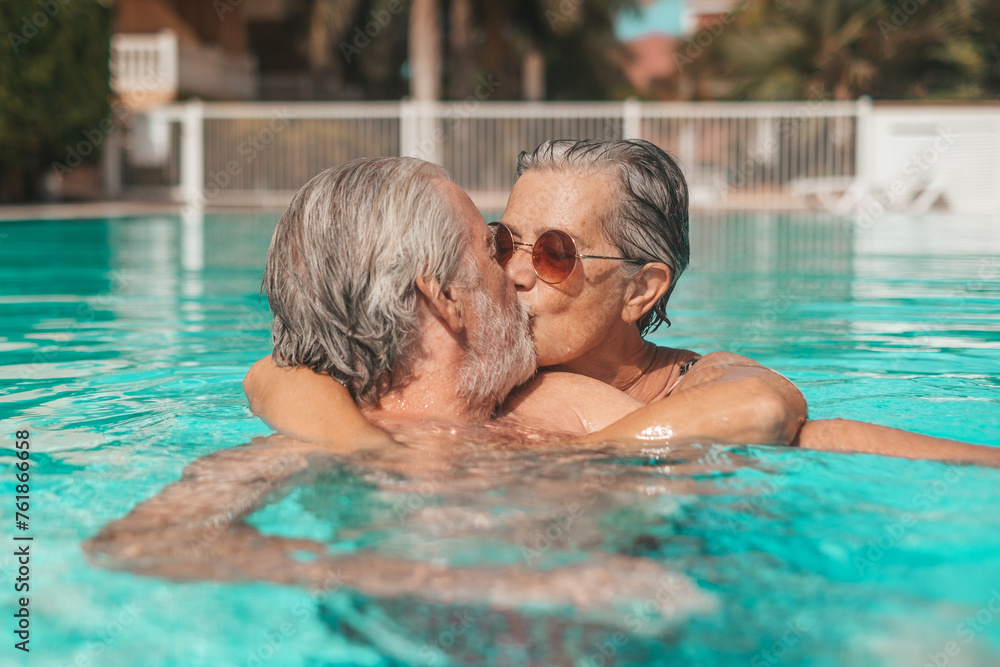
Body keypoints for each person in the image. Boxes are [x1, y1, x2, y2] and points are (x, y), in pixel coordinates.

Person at [244, 149, 1000, 465]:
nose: (515, 271)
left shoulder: (690, 385)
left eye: (556, 253)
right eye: (502, 242)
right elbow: (278, 370)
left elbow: (769, 412)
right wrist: (364, 446)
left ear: (642, 289)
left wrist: (563, 465)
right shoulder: (495, 386)